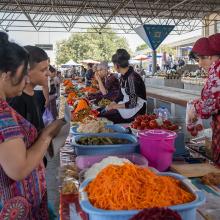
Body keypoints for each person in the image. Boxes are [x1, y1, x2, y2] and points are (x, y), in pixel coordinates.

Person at [0, 33, 65, 219]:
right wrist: (46, 135)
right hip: (15, 208)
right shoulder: (4, 112)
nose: (25, 80)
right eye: (22, 74)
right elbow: (18, 169)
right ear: (6, 75)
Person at [188, 33, 220, 164]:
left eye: (202, 58)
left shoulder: (217, 71)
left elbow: (207, 108)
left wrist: (194, 108)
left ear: (212, 56)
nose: (200, 64)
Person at [9, 45, 49, 132]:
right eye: (43, 70)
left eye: (48, 69)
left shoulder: (32, 94)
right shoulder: (17, 101)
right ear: (26, 71)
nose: (48, 74)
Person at [102, 49, 147, 123]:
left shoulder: (132, 78)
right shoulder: (122, 77)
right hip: (126, 105)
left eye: (114, 65)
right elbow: (120, 95)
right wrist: (112, 104)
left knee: (105, 118)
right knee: (103, 112)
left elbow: (133, 103)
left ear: (116, 65)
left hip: (137, 110)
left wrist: (114, 106)